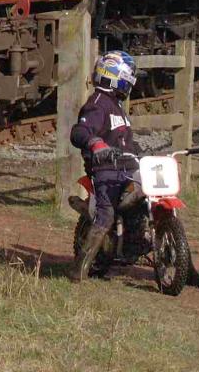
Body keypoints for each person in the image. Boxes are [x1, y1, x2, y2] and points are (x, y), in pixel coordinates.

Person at [69, 51, 149, 282]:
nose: (130, 83)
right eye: (127, 78)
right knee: (106, 214)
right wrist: (95, 143)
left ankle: (187, 271)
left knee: (152, 200)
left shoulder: (118, 106)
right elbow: (79, 132)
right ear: (114, 77)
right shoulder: (97, 104)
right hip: (106, 171)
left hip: (127, 168)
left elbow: (127, 142)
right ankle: (78, 270)